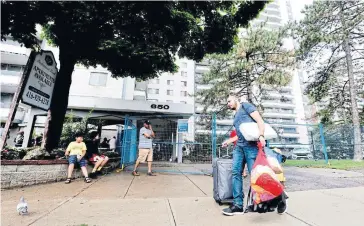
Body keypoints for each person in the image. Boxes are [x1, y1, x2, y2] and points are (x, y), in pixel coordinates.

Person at [221, 94, 277, 216]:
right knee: (236, 172)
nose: (228, 104)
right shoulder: (236, 115)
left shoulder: (246, 106)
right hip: (239, 147)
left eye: (229, 101)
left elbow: (260, 121)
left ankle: (276, 199)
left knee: (256, 175)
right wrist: (229, 141)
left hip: (251, 147)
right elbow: (241, 134)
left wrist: (261, 135)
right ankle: (238, 205)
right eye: (227, 102)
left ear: (236, 99)